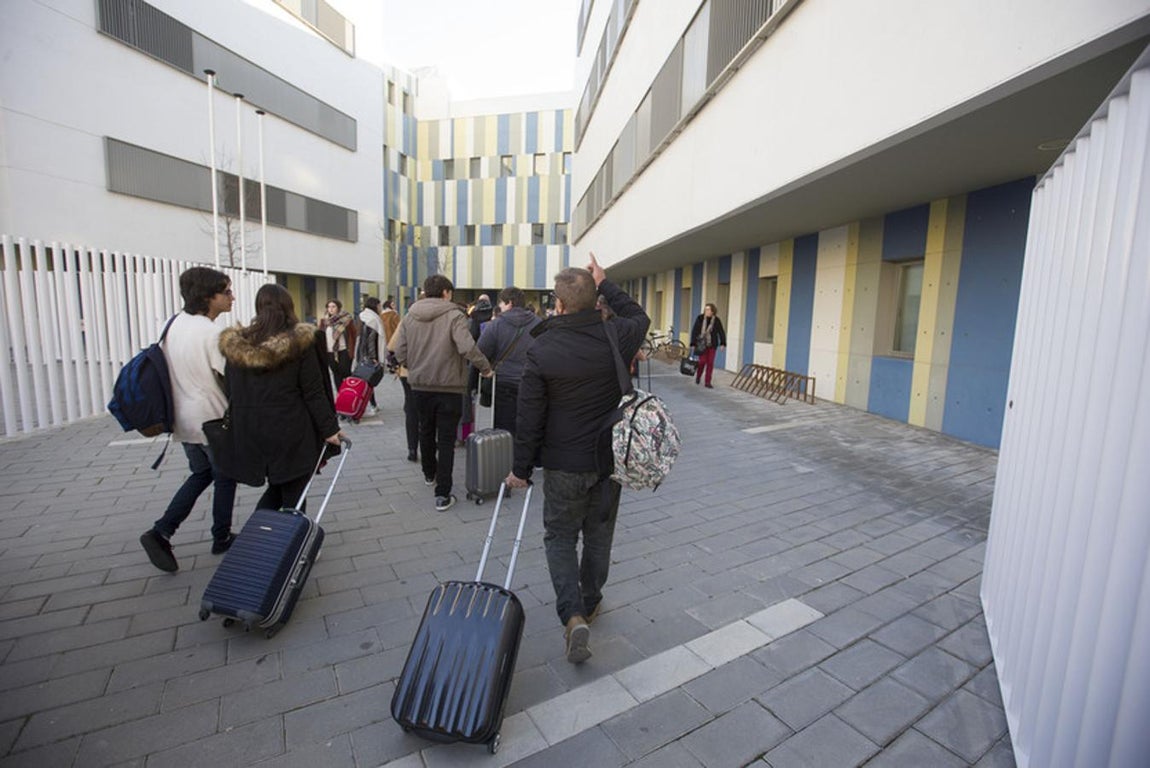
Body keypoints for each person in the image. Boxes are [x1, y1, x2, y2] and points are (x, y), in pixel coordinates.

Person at [505, 254, 650, 663]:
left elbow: (529, 416)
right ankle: (591, 600)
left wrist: (521, 469)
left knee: (560, 536)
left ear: (560, 304)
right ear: (594, 299)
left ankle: (572, 615)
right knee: (599, 535)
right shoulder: (616, 335)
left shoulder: (542, 348)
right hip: (608, 461)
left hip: (563, 464)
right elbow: (639, 316)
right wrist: (604, 281)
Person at [139, 267, 238, 572]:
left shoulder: (173, 324)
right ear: (208, 297)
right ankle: (221, 536)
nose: (232, 297)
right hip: (211, 418)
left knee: (202, 473)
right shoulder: (211, 333)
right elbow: (231, 377)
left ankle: (162, 531)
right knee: (225, 476)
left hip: (182, 419)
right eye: (226, 292)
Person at [219, 284, 344, 512]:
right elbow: (313, 391)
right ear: (288, 307)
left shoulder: (237, 346)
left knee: (279, 487)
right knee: (293, 493)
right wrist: (329, 429)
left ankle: (264, 531)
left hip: (252, 431)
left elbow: (231, 390)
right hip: (292, 430)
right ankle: (279, 534)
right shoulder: (300, 342)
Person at [391, 275, 492, 512]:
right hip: (449, 387)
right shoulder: (454, 315)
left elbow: (399, 351)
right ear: (446, 292)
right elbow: (467, 347)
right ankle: (443, 493)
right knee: (446, 439)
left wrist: (413, 365)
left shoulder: (410, 315)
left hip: (420, 386)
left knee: (425, 430)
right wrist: (485, 368)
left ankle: (429, 473)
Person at [477, 286, 540, 434]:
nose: (499, 307)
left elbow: (480, 352)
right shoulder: (538, 323)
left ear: (509, 303)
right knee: (528, 430)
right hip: (531, 383)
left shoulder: (496, 324)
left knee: (504, 431)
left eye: (501, 303)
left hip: (504, 383)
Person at [356, 296, 386, 416]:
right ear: (375, 306)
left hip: (361, 353)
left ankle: (369, 404)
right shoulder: (372, 319)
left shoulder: (363, 316)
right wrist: (373, 357)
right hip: (369, 355)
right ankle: (369, 405)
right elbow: (370, 339)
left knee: (366, 380)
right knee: (369, 381)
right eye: (379, 305)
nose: (380, 308)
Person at [318, 299, 356, 390]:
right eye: (329, 307)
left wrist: (351, 349)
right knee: (336, 373)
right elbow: (320, 336)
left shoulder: (346, 319)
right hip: (330, 351)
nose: (330, 309)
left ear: (338, 308)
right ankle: (340, 393)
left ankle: (350, 390)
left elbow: (353, 334)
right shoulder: (324, 321)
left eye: (333, 306)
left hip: (343, 350)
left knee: (345, 372)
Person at [690, 303, 727, 388]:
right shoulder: (700, 318)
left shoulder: (716, 320)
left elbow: (721, 332)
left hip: (712, 344)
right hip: (701, 344)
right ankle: (698, 376)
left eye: (708, 309)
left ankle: (707, 382)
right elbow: (695, 330)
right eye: (705, 309)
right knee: (702, 362)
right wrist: (693, 343)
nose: (706, 311)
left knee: (710, 363)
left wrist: (723, 343)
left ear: (712, 311)